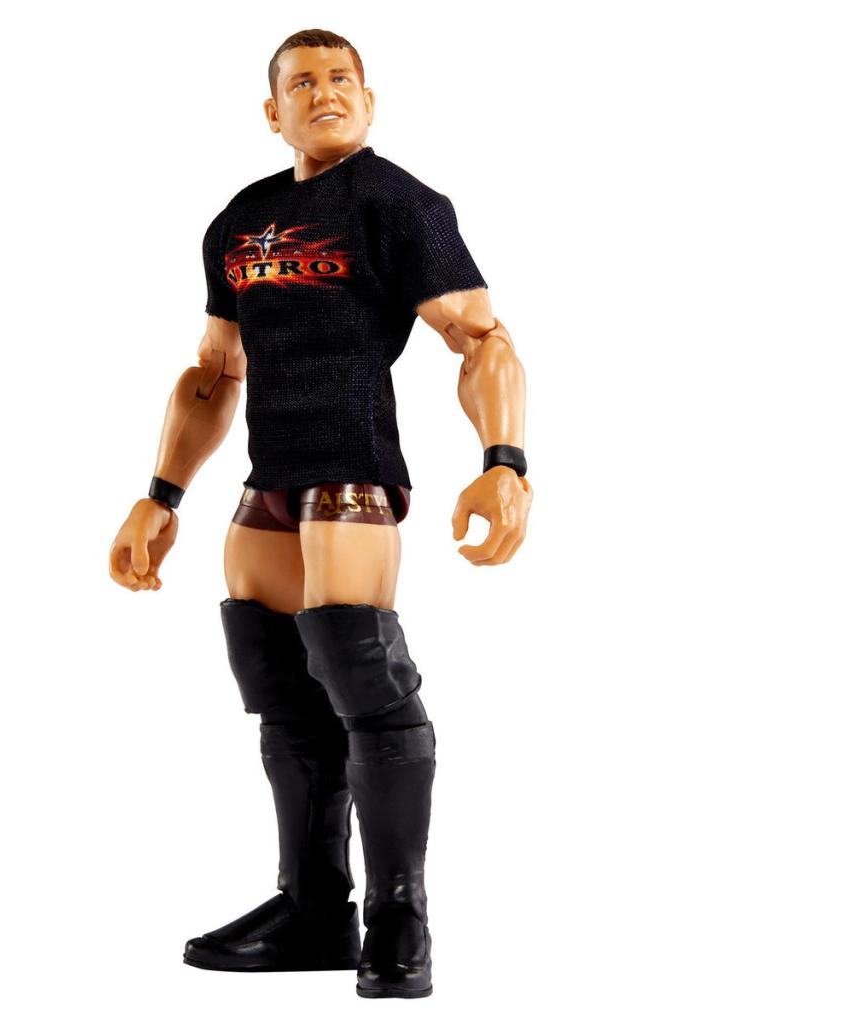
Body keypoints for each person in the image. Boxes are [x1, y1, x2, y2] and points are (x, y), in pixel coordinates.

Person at [108, 28, 532, 1000]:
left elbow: (481, 337)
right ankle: (312, 906)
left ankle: (399, 917)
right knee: (278, 683)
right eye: (302, 82)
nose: (325, 92)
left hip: (351, 468)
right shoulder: (242, 220)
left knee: (361, 677)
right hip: (268, 477)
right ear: (274, 111)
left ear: (369, 101)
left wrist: (503, 461)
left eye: (342, 78)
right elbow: (213, 372)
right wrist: (160, 494)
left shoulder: (397, 203)